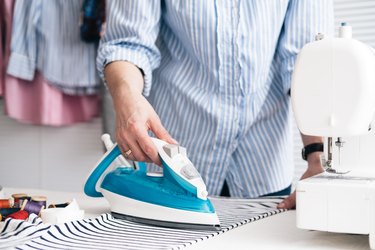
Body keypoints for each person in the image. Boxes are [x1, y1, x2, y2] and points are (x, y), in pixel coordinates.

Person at [97, 0, 333, 209]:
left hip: (262, 162)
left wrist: (317, 157)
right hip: (173, 158)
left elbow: (306, 59)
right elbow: (128, 44)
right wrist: (128, 99)